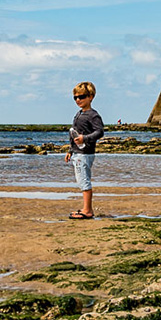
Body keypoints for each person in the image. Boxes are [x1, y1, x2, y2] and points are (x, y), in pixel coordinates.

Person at [65, 80, 104, 219]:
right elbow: (74, 134)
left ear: (90, 97)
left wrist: (85, 138)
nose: (78, 100)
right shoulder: (79, 114)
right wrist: (70, 150)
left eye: (81, 97)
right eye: (75, 97)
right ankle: (86, 208)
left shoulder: (93, 115)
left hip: (85, 153)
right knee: (81, 180)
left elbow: (99, 132)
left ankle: (87, 210)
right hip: (77, 152)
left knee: (84, 180)